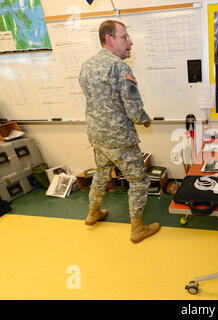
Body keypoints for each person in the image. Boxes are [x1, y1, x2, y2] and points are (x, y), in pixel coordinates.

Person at [79, 20, 160, 243]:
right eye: (124, 37)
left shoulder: (86, 65)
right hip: (120, 140)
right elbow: (133, 108)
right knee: (139, 181)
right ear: (109, 39)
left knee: (102, 173)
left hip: (97, 136)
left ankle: (93, 212)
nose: (130, 41)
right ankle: (137, 228)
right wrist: (144, 120)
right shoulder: (119, 67)